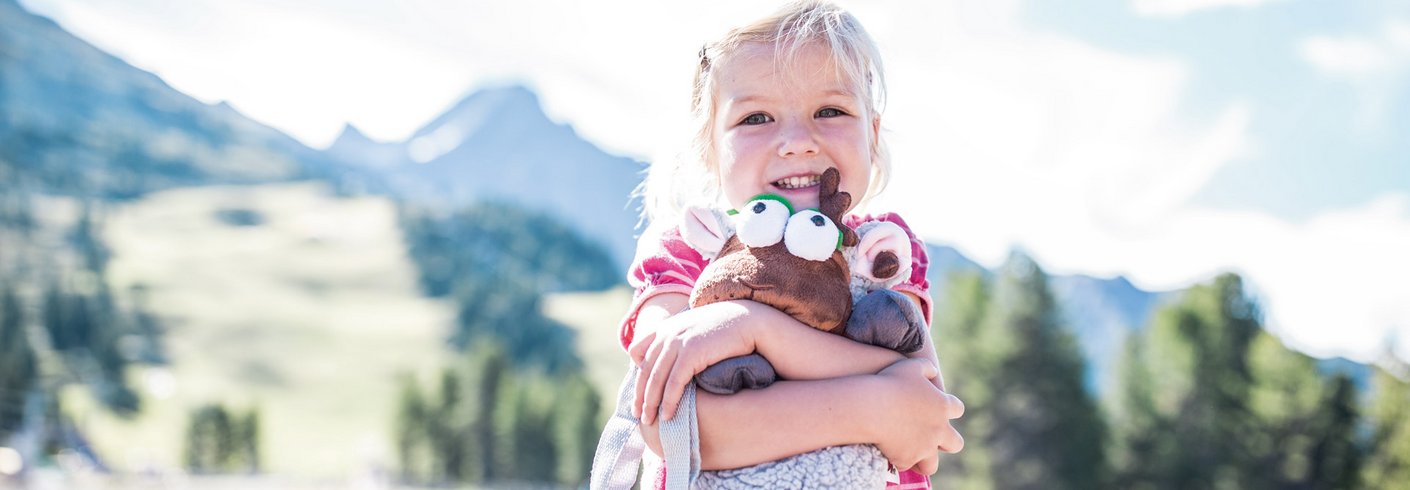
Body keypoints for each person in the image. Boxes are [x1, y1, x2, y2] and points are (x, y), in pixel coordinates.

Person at [616, 1, 965, 487]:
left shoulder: (880, 251)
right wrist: (874, 404)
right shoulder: (688, 251)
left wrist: (753, 328)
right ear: (709, 148)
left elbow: (924, 419)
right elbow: (669, 423)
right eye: (756, 117)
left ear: (873, 134)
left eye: (831, 110)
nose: (799, 141)